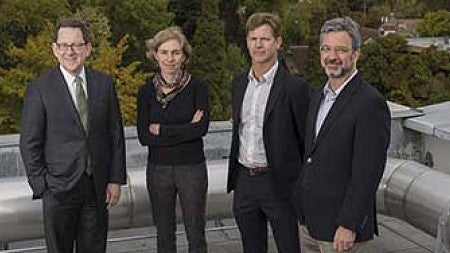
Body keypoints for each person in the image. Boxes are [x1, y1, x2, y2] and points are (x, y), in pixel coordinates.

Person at [19, 18, 126, 253]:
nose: (70, 51)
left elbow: (115, 134)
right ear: (55, 49)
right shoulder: (40, 88)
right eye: (64, 45)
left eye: (76, 45)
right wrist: (42, 186)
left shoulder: (104, 84)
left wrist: (115, 179)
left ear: (87, 48)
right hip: (57, 189)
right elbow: (29, 142)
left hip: (96, 188)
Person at [294, 17, 391, 253]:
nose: (332, 56)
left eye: (341, 49)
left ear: (356, 54)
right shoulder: (317, 96)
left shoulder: (370, 103)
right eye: (326, 49)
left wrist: (349, 223)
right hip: (309, 225)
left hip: (341, 231)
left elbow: (367, 173)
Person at [227, 12, 309, 253]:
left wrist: (300, 186)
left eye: (265, 38)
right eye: (253, 39)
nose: (259, 45)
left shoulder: (295, 87)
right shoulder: (239, 83)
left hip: (279, 183)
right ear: (247, 42)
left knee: (288, 248)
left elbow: (306, 139)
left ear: (278, 42)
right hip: (244, 182)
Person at [136, 26, 210, 253]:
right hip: (158, 169)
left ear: (184, 56)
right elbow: (144, 136)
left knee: (195, 231)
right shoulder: (146, 91)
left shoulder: (198, 87)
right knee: (164, 232)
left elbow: (201, 130)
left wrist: (162, 130)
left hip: (192, 168)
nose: (170, 58)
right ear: (155, 55)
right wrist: (186, 128)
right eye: (164, 52)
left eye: (176, 52)